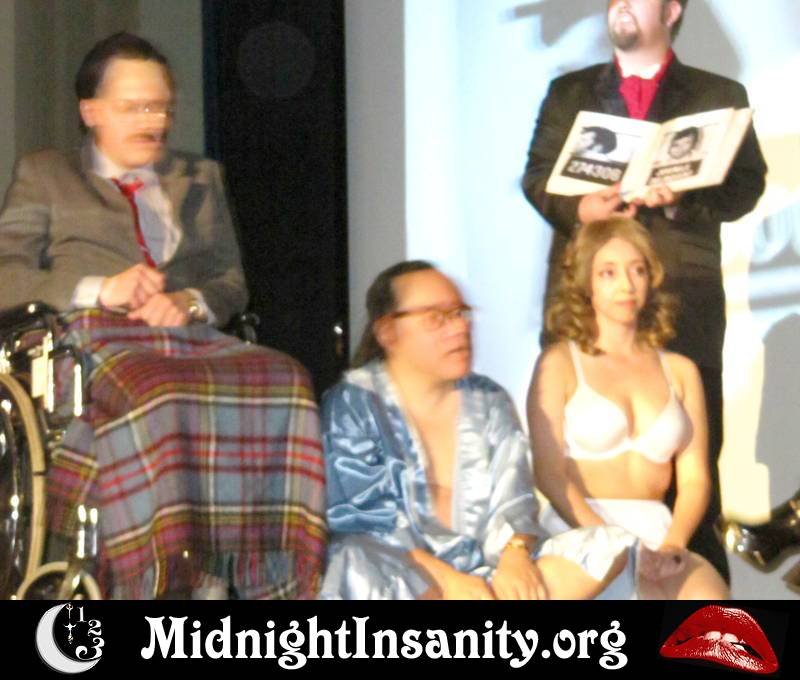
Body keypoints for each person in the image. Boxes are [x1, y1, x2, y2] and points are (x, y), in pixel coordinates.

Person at [0, 33, 326, 598]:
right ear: (91, 111)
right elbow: (7, 275)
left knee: (287, 378)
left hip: (185, 336)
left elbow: (231, 284)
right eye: (135, 107)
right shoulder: (47, 174)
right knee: (154, 389)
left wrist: (190, 302)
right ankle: (160, 571)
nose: (153, 121)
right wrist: (101, 289)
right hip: (88, 339)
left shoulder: (200, 177)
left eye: (161, 108)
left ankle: (267, 572)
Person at [522, 0, 768, 582]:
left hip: (682, 298)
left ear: (672, 10)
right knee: (572, 446)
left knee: (694, 466)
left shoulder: (718, 93)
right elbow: (537, 178)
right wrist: (580, 208)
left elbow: (746, 186)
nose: (621, 5)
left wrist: (683, 197)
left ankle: (693, 582)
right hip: (588, 298)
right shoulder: (569, 92)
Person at [320, 261, 640, 600]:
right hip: (404, 574)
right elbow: (364, 521)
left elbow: (514, 501)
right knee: (355, 559)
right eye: (436, 318)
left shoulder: (489, 399)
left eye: (460, 313)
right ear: (388, 332)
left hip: (485, 576)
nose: (459, 327)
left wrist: (515, 557)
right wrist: (448, 582)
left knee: (609, 545)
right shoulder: (352, 401)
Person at [528, 217, 728, 599]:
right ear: (585, 281)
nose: (626, 284)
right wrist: (611, 541)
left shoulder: (681, 371)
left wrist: (674, 543)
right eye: (609, 272)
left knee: (718, 617)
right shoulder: (559, 363)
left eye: (637, 270)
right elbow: (549, 473)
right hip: (580, 530)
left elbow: (695, 479)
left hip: (660, 534)